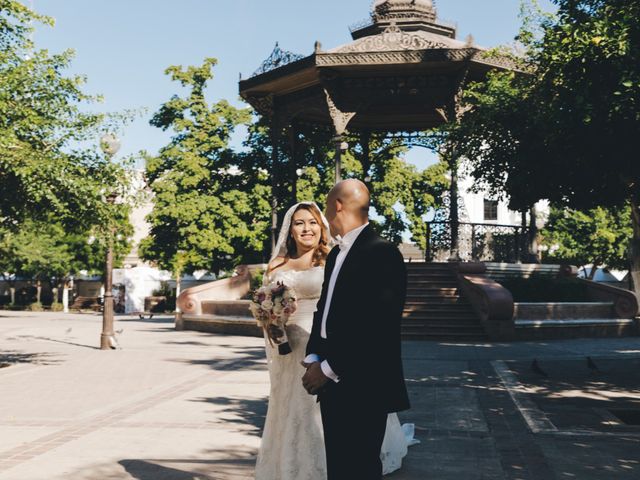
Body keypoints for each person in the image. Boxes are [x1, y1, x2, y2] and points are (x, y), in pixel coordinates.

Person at [255, 201, 410, 480]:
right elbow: (264, 303)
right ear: (290, 230)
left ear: (321, 226)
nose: (306, 228)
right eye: (299, 223)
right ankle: (291, 465)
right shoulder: (277, 264)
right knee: (289, 405)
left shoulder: (335, 257)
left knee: (325, 414)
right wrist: (270, 321)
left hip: (323, 347)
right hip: (287, 348)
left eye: (313, 222)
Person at [302, 180, 410, 480]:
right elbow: (324, 309)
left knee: (360, 467)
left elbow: (378, 325)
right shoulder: (336, 255)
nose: (325, 213)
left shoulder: (383, 253)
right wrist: (313, 354)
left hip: (364, 381)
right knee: (338, 464)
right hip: (331, 379)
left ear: (337, 205)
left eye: (325, 207)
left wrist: (328, 367)